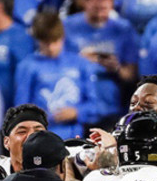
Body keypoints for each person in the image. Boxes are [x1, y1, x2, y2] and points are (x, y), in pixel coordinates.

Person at [65, 0, 139, 129]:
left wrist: (116, 68)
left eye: (104, 9)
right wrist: (80, 60)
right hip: (74, 105)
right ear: (85, 2)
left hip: (109, 106)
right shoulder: (67, 26)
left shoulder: (124, 29)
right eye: (95, 9)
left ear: (112, 4)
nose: (99, 14)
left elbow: (131, 75)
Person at [15, 10, 98, 140]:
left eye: (56, 41)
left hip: (74, 136)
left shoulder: (80, 64)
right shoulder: (27, 66)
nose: (52, 47)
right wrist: (40, 119)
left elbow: (95, 105)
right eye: (46, 43)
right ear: (37, 40)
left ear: (63, 38)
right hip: (40, 138)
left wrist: (77, 112)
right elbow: (21, 108)